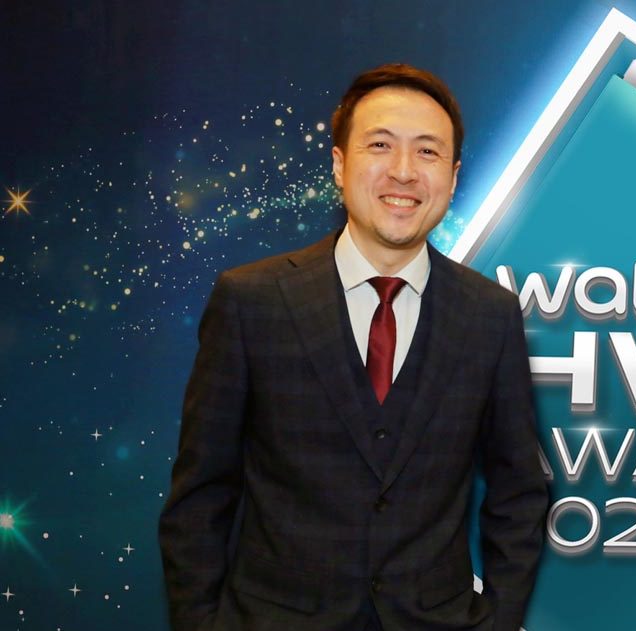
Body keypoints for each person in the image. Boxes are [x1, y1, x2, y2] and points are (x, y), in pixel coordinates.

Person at [159, 63, 549, 631]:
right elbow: (201, 494)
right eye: (380, 145)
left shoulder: (489, 315)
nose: (404, 171)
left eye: (427, 152)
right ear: (340, 165)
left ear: (453, 177)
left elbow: (519, 492)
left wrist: (498, 620)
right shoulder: (251, 300)